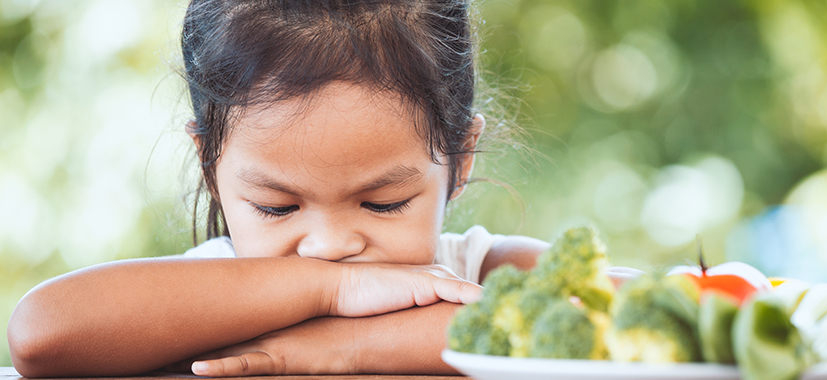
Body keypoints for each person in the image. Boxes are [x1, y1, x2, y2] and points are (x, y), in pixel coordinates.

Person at [7, 0, 638, 377]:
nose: (330, 245)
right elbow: (41, 335)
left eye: (384, 202)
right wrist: (334, 290)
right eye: (277, 206)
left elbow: (649, 312)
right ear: (211, 168)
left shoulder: (479, 272)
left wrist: (344, 346)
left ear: (461, 156)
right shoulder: (202, 297)